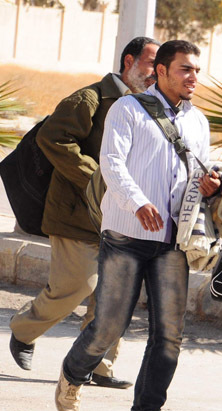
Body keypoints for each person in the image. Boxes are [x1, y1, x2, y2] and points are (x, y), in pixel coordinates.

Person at [54, 40, 219, 411]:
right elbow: (112, 162)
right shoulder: (127, 109)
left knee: (169, 334)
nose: (193, 77)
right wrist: (138, 201)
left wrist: (210, 187)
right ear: (161, 71)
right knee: (108, 326)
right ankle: (73, 374)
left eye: (196, 70)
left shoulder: (198, 121)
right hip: (126, 234)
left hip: (172, 243)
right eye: (184, 69)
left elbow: (196, 176)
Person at [8, 37, 160, 389]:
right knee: (75, 287)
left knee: (116, 295)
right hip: (77, 214)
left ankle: (99, 366)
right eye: (152, 64)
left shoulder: (150, 107)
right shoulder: (90, 98)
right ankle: (23, 331)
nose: (155, 73)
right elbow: (54, 139)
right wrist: (101, 179)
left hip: (123, 217)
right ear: (129, 61)